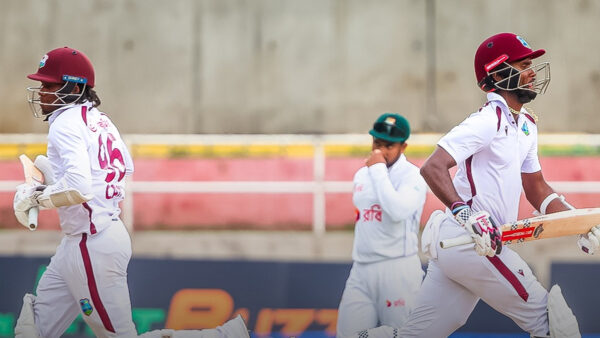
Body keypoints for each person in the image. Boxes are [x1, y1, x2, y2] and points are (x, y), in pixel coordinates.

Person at [13, 46, 249, 338]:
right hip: (91, 238)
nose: (41, 92)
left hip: (91, 242)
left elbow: (80, 187)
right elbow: (110, 172)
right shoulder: (99, 120)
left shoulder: (64, 123)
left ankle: (224, 336)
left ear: (73, 86)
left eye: (48, 85)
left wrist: (36, 197)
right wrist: (47, 184)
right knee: (34, 328)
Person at [394, 32, 600, 337]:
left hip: (471, 243)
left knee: (416, 335)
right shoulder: (488, 120)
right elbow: (433, 167)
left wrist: (580, 223)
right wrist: (467, 217)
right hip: (470, 242)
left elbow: (537, 188)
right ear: (499, 72)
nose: (532, 72)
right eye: (524, 64)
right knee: (554, 323)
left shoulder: (526, 124)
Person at [336, 113, 427, 337]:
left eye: (389, 146)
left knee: (403, 334)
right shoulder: (362, 175)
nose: (380, 151)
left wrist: (377, 170)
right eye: (377, 143)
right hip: (361, 269)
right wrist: (374, 170)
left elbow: (397, 211)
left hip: (397, 270)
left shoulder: (413, 176)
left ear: (403, 147)